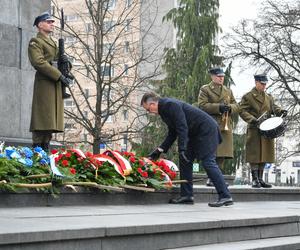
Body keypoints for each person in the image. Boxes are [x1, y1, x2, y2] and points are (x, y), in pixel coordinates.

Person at [141, 92, 233, 207]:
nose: (149, 112)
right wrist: (159, 151)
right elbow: (172, 133)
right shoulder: (164, 111)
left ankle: (225, 196)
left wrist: (182, 148)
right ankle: (187, 196)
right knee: (185, 160)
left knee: (208, 161)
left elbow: (182, 126)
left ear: (153, 104)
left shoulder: (170, 105)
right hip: (195, 133)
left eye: (148, 109)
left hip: (206, 131)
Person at [28, 12, 72, 152]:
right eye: (49, 22)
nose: (52, 24)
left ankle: (45, 152)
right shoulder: (36, 42)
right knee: (42, 120)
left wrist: (67, 63)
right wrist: (59, 75)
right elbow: (39, 62)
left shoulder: (53, 43)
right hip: (45, 86)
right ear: (40, 25)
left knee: (49, 123)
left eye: (52, 22)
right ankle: (37, 153)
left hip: (54, 86)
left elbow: (61, 61)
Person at [239, 74, 288, 188]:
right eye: (262, 83)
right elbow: (242, 110)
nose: (264, 86)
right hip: (255, 128)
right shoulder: (248, 96)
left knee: (264, 154)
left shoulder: (268, 97)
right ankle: (255, 179)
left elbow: (273, 108)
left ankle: (261, 179)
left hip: (267, 129)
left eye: (265, 84)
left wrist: (281, 111)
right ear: (256, 82)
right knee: (254, 154)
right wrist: (252, 119)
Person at [198, 67, 239, 186]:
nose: (221, 78)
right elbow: (202, 105)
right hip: (211, 123)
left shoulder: (228, 90)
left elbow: (236, 105)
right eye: (219, 76)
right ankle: (211, 178)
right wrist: (218, 107)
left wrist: (230, 108)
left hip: (225, 124)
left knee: (222, 153)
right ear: (212, 76)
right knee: (212, 152)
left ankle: (217, 178)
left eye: (222, 76)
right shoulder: (205, 89)